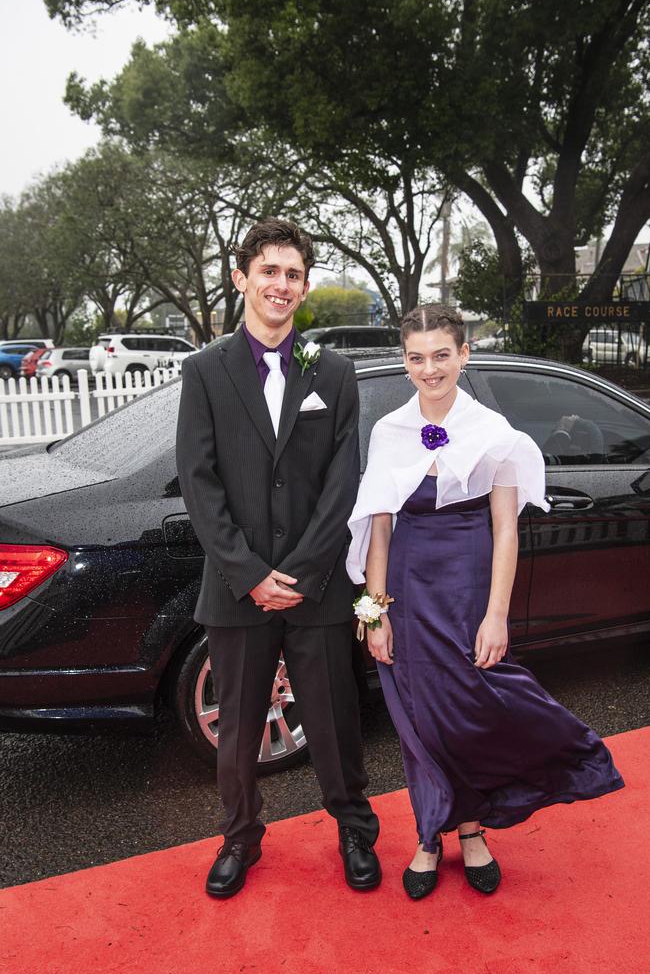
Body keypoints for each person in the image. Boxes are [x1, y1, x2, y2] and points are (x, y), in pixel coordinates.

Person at [347, 305, 623, 899]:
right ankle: (430, 833)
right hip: (408, 591)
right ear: (405, 362)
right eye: (417, 358)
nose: (430, 369)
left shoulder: (494, 432)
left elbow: (506, 528)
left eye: (441, 355)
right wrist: (376, 611)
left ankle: (470, 829)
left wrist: (496, 614)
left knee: (468, 711)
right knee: (419, 717)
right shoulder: (388, 431)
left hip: (470, 589)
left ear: (463, 355)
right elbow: (379, 529)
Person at [176, 217, 380, 899]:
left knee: (332, 718)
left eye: (293, 274)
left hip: (316, 585)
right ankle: (239, 838)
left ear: (305, 285)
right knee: (238, 730)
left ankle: (355, 828)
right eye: (269, 271)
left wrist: (300, 570)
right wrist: (250, 573)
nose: (281, 284)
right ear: (242, 278)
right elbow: (199, 482)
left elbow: (342, 483)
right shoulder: (204, 372)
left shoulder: (335, 371)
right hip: (236, 588)